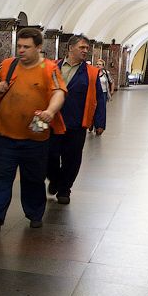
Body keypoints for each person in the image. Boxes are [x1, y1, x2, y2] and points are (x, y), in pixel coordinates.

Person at [0, 28, 66, 232]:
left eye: (27, 47)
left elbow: (59, 92)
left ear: (38, 48)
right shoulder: (9, 64)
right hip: (3, 135)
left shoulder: (48, 68)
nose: (22, 50)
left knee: (33, 178)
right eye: (19, 46)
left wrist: (50, 111)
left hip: (34, 137)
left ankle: (35, 213)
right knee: (2, 177)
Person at [46, 35, 105, 205]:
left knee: (72, 158)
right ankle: (55, 179)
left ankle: (64, 189)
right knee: (50, 155)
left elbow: (98, 98)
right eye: (82, 47)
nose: (85, 51)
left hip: (77, 122)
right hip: (53, 120)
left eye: (87, 48)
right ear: (70, 48)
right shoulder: (52, 66)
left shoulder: (91, 72)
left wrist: (100, 122)